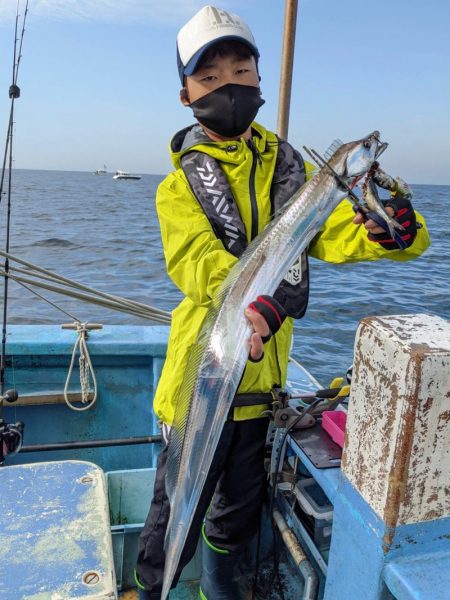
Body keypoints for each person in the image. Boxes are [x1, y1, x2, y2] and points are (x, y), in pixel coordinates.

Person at [135, 6, 430, 599]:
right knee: (174, 516)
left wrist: (391, 229)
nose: (229, 86)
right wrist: (253, 301)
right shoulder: (178, 186)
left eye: (240, 70)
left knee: (234, 521)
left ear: (260, 81)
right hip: (200, 385)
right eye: (210, 77)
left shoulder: (293, 173)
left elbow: (339, 234)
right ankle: (149, 591)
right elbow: (198, 265)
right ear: (186, 93)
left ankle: (213, 592)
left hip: (260, 398)